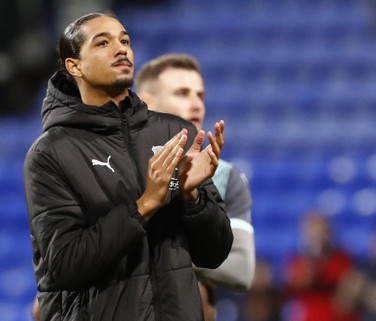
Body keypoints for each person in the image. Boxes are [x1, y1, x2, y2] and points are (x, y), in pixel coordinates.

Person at [24, 12, 233, 321]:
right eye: (103, 43)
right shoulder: (51, 153)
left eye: (125, 40)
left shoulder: (174, 133)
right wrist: (145, 205)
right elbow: (65, 265)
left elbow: (215, 253)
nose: (121, 49)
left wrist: (192, 199)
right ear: (74, 66)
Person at [135, 54, 255, 321]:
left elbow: (240, 270)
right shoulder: (118, 166)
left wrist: (163, 261)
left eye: (200, 95)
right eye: (182, 93)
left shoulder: (224, 176)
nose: (196, 103)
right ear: (146, 102)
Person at [281, 211, 360, 321]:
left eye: (322, 231)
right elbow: (292, 288)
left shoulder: (343, 259)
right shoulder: (298, 261)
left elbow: (348, 293)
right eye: (313, 231)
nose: (318, 235)